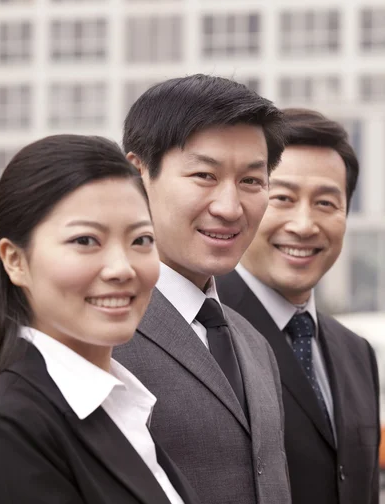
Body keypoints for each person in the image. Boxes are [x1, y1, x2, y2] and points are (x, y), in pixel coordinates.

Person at [0, 134, 202, 504]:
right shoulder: (7, 424)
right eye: (86, 241)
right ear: (14, 260)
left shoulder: (122, 403)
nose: (121, 269)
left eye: (141, 240)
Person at [114, 74, 291, 504]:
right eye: (204, 175)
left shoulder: (254, 345)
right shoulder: (96, 335)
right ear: (137, 175)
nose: (229, 208)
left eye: (251, 181)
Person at [217, 108, 381, 504]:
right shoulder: (203, 332)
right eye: (283, 198)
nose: (304, 225)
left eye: (326, 203)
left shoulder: (356, 352)